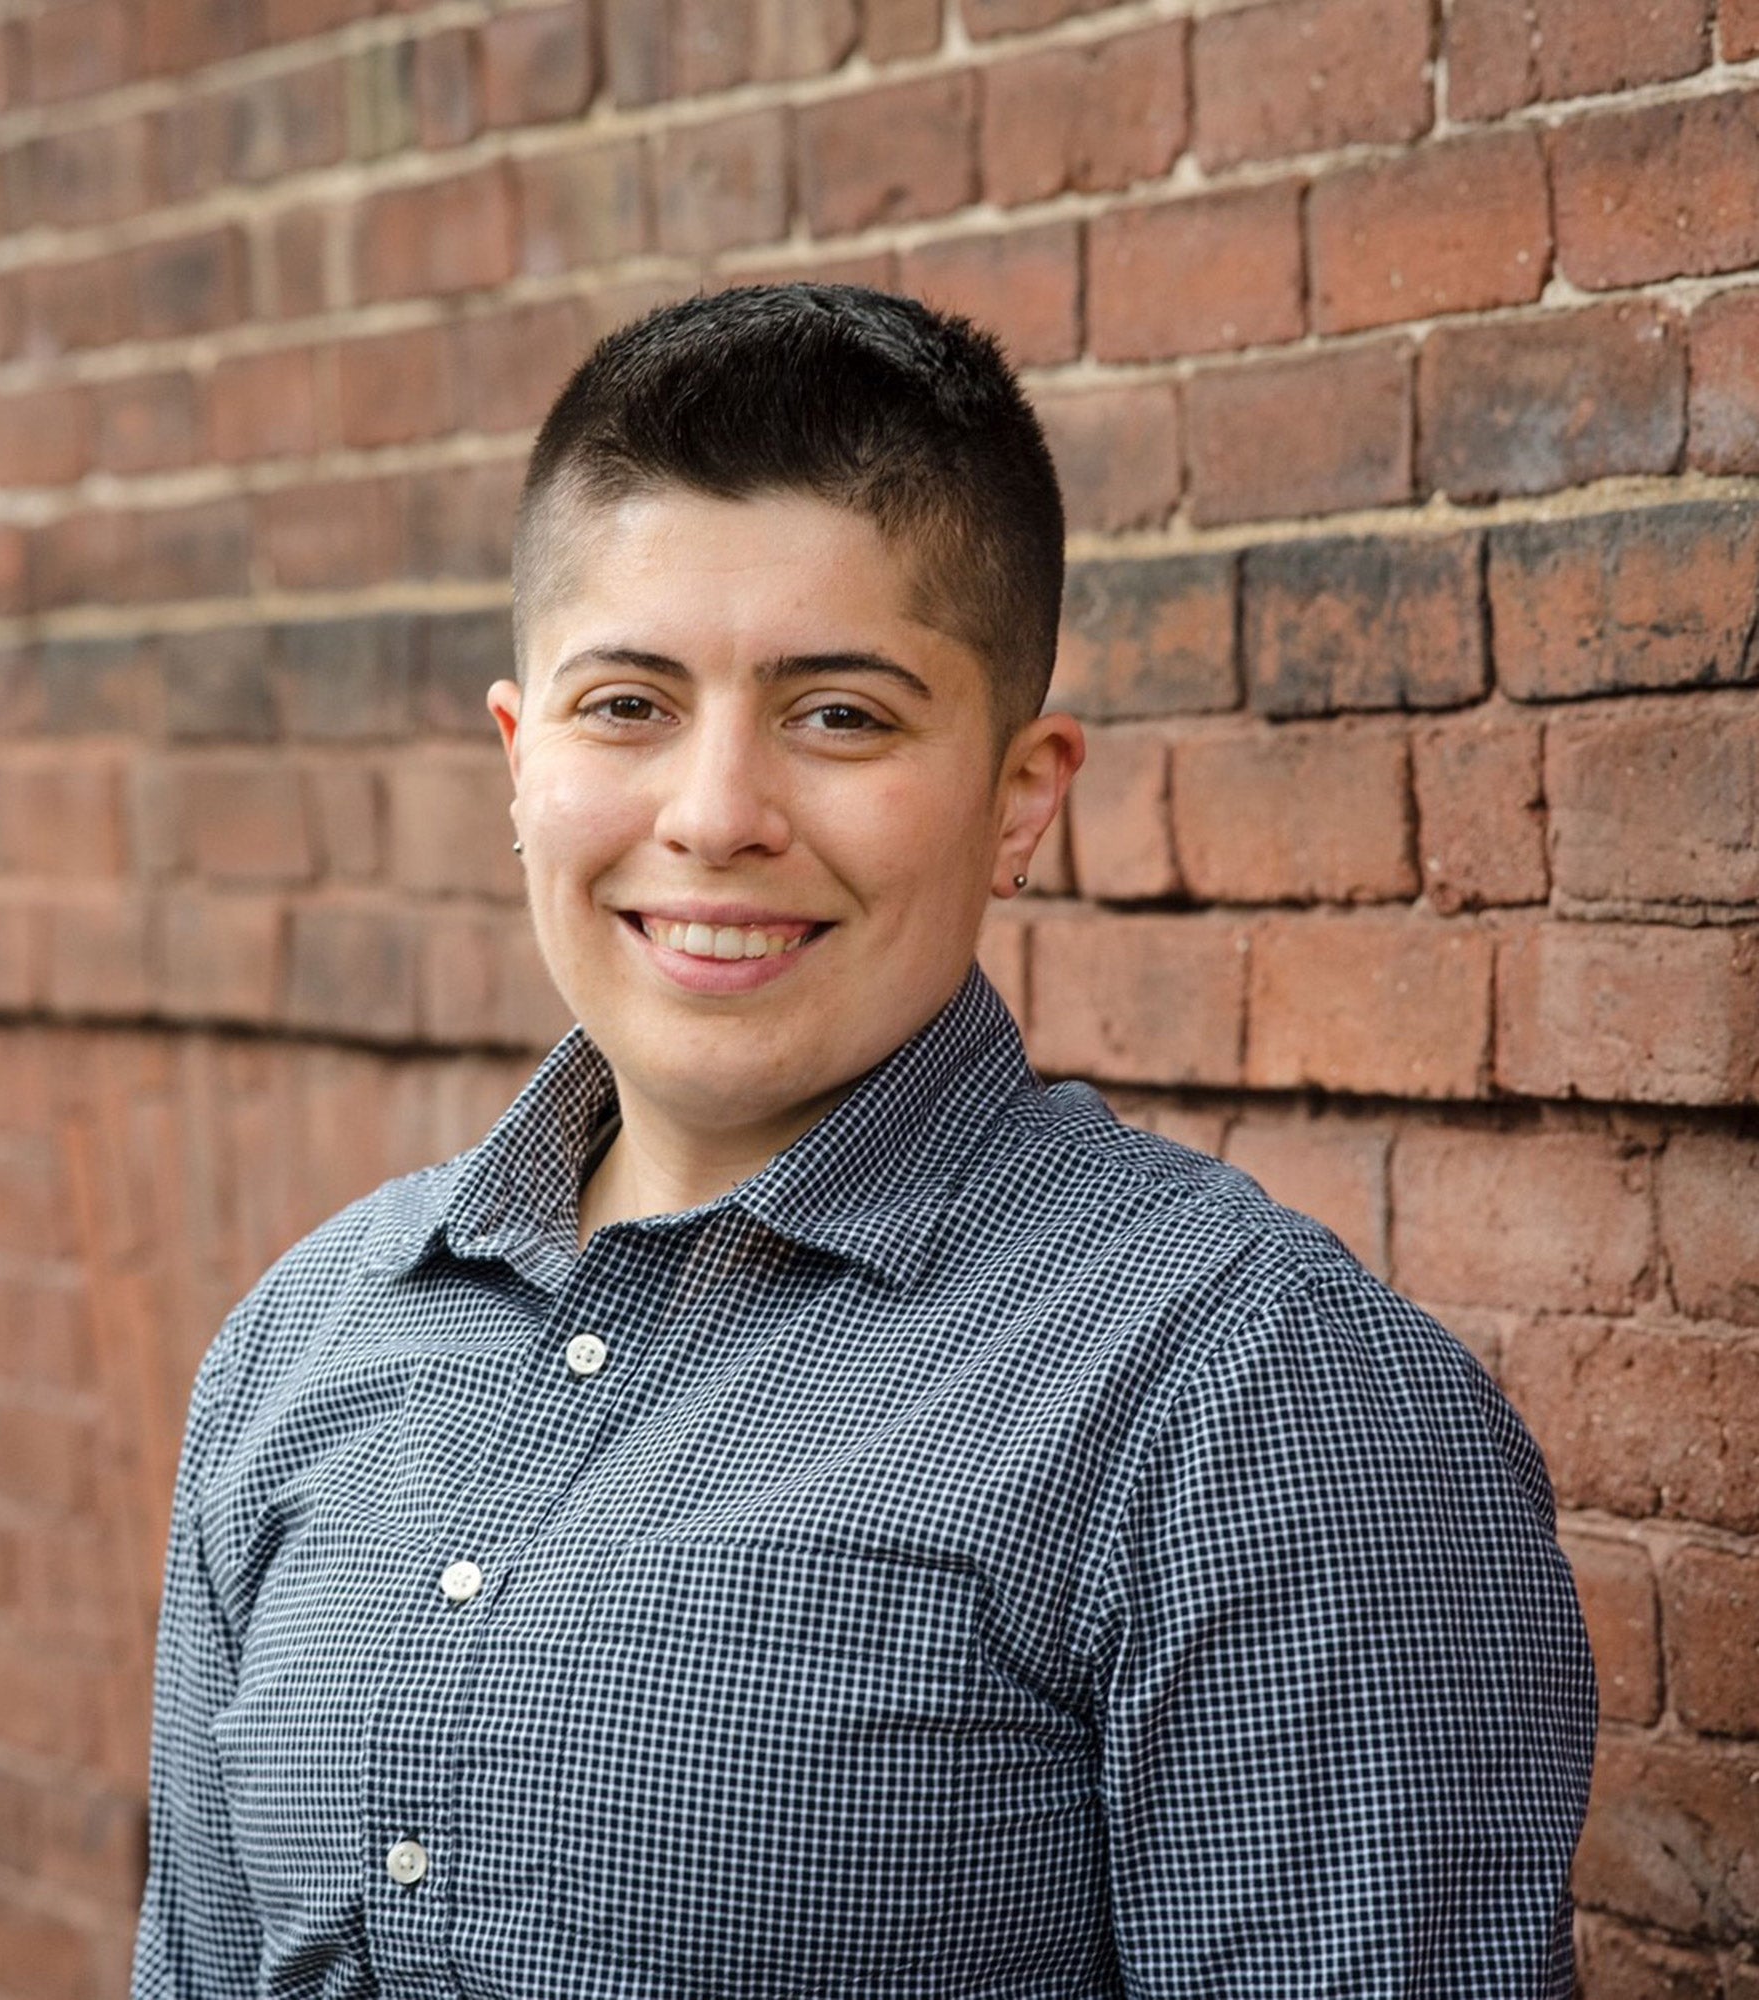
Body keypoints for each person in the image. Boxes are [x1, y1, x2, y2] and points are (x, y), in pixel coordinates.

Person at [132, 284, 1596, 2000]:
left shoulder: (1251, 1402)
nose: (716, 816)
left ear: (1021, 793)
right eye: (629, 707)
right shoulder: (307, 1340)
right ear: (520, 763)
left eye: (840, 714)